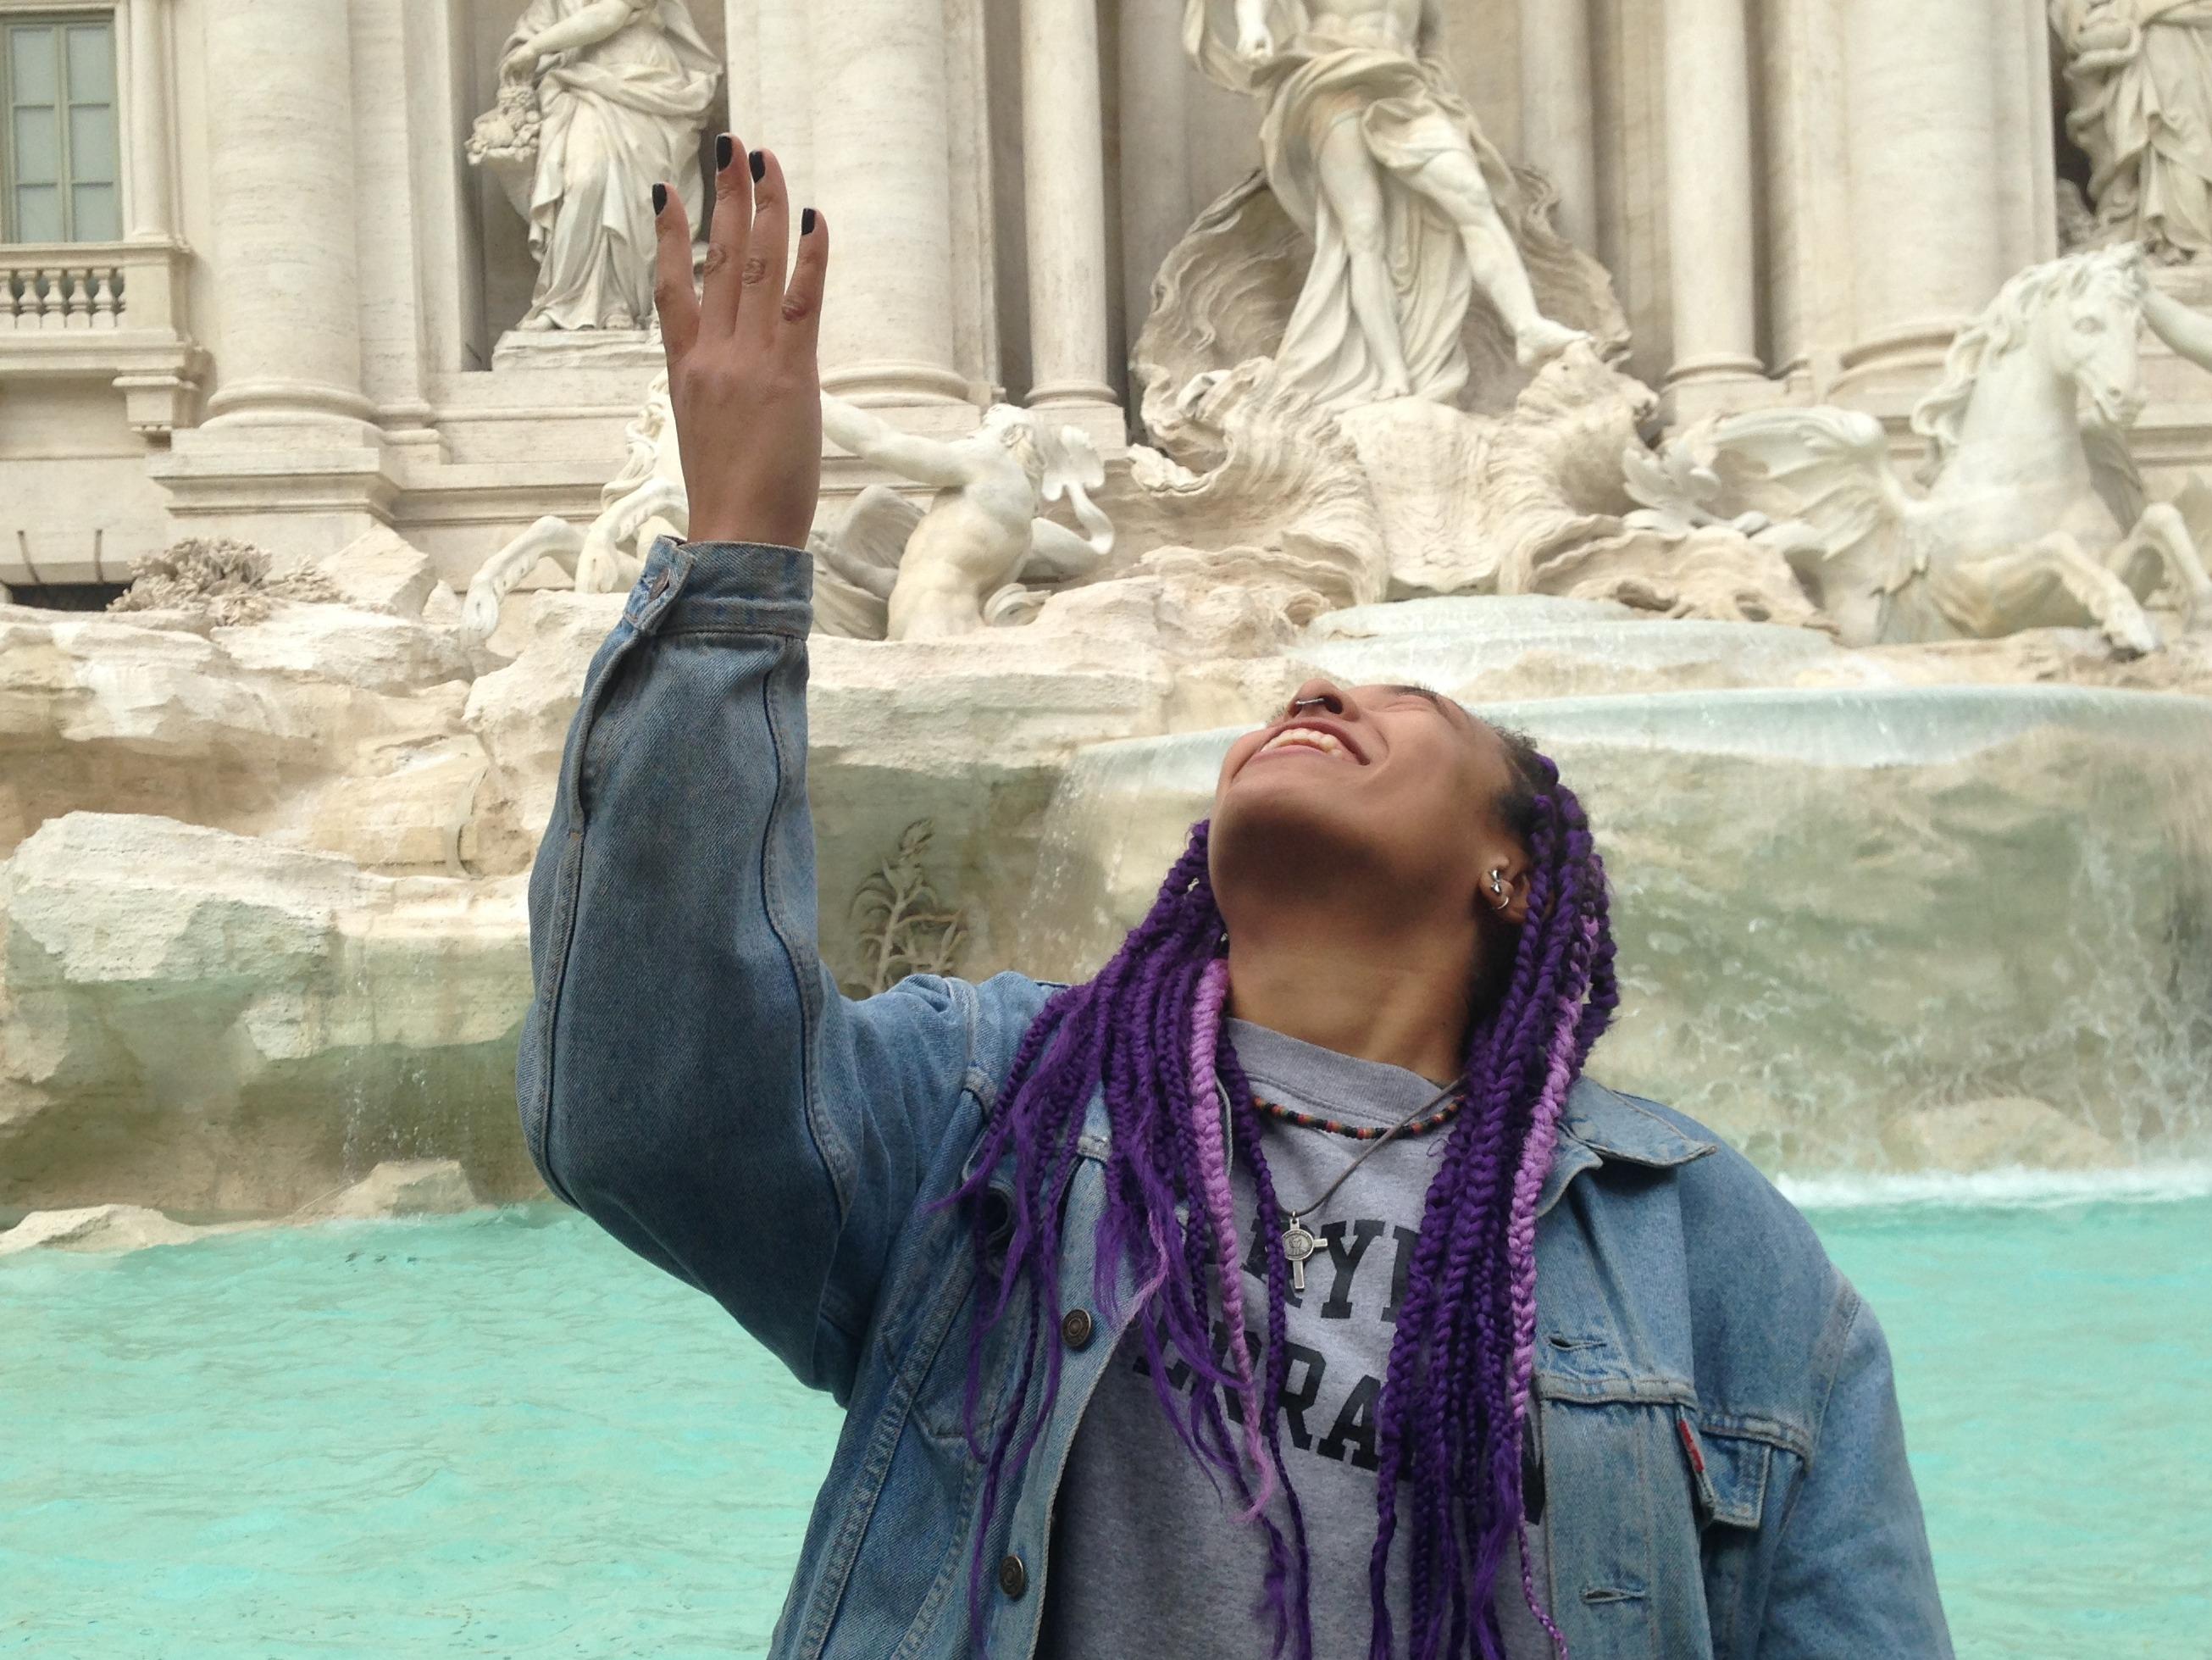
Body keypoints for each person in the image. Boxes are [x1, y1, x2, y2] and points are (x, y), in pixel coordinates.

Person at [518, 136, 1954, 1658]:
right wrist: (742, 552)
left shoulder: (1710, 1249)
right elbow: (641, 1101)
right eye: (1299, 693)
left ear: (1511, 867)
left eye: (1401, 703)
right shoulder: (986, 1101)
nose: (1318, 684)